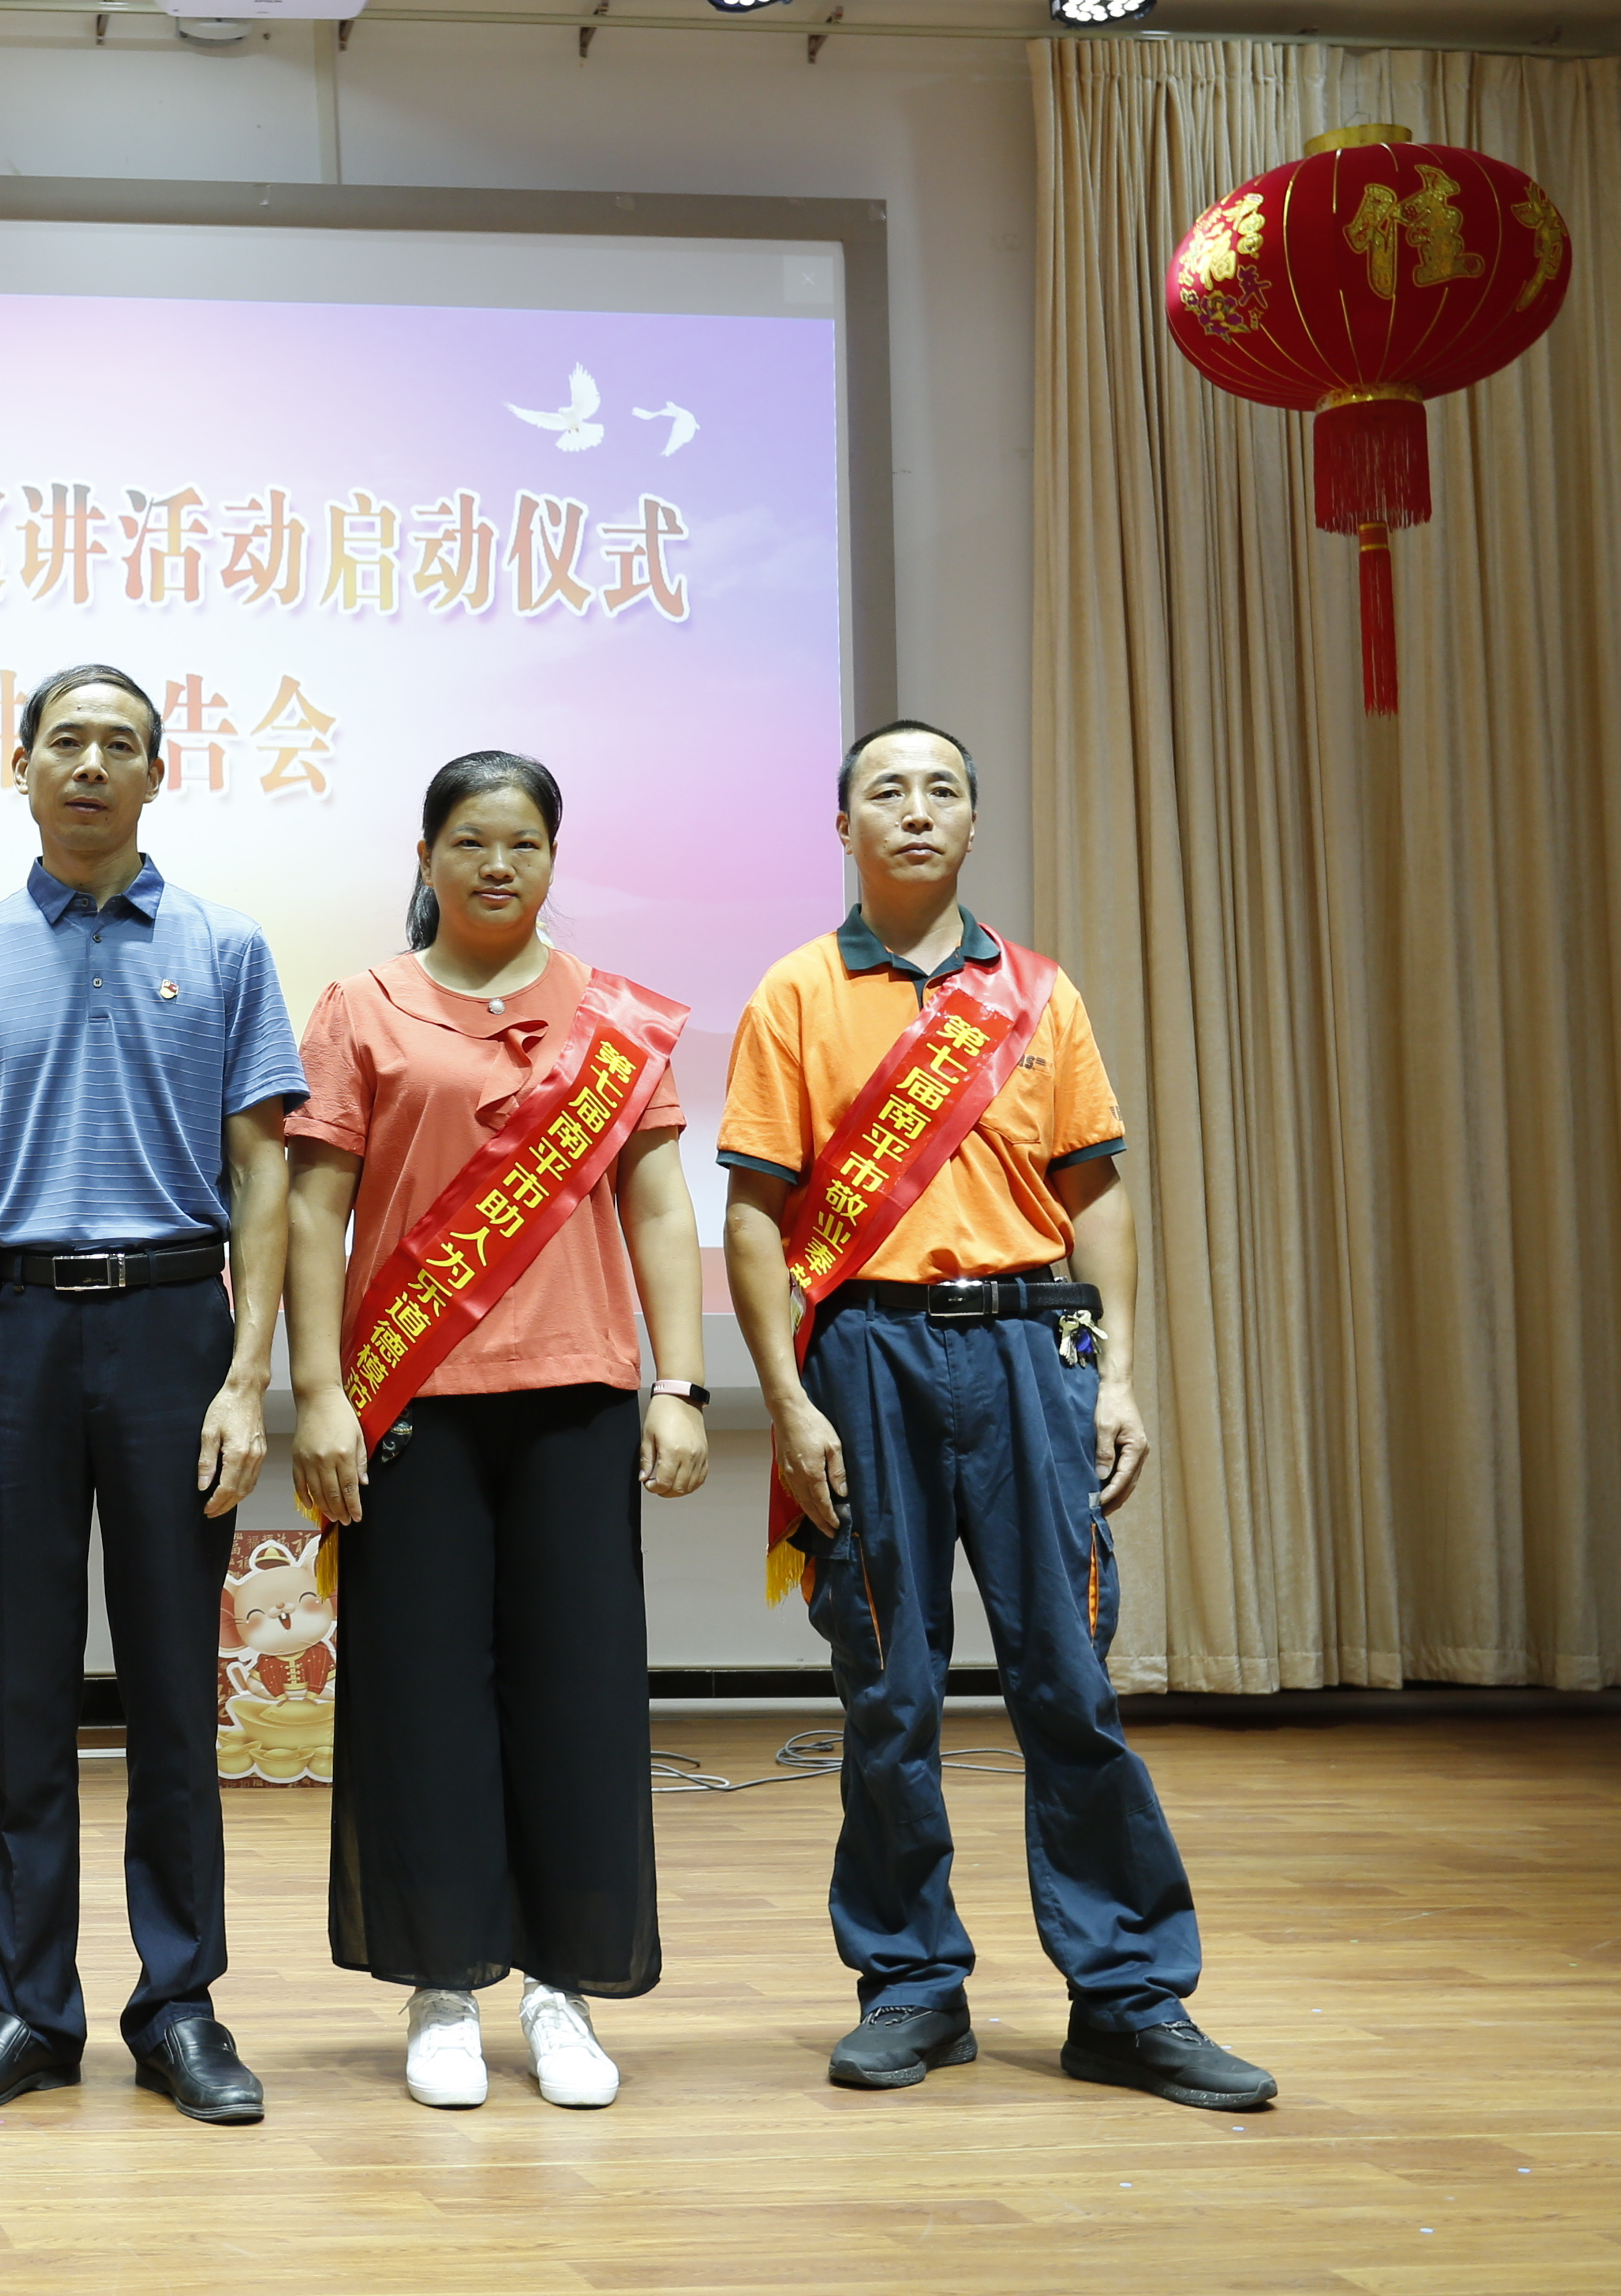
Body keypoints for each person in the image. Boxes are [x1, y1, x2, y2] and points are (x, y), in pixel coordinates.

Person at [718, 718, 1275, 2111]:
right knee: (889, 1693)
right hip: (866, 1356)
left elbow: (1097, 1193)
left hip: (1032, 1349)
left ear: (974, 822)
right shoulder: (796, 992)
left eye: (942, 791)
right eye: (886, 791)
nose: (916, 811)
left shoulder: (1036, 995)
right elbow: (755, 1214)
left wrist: (1120, 1372)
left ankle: (1129, 1997)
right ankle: (911, 1986)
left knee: (1069, 1683)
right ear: (842, 826)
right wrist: (786, 1400)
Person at [0, 661, 311, 2127]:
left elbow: (263, 1168)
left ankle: (180, 2005)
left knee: (176, 1692)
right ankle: (26, 2007)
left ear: (156, 773)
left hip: (177, 1329)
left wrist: (248, 1377)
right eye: (64, 741)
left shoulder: (226, 946)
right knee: (22, 1693)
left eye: (118, 745)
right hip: (13, 1335)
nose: (89, 765)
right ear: (18, 766)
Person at [285, 751, 711, 2112]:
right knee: (423, 1701)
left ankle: (561, 1988)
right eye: (470, 841)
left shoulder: (615, 1019)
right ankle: (442, 1987)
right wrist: (320, 1390)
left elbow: (657, 1204)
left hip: (578, 1394)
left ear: (551, 860)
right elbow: (313, 1211)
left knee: (576, 1697)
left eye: (522, 842)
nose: (496, 865)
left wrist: (682, 1383)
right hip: (412, 1404)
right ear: (425, 858)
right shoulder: (363, 1006)